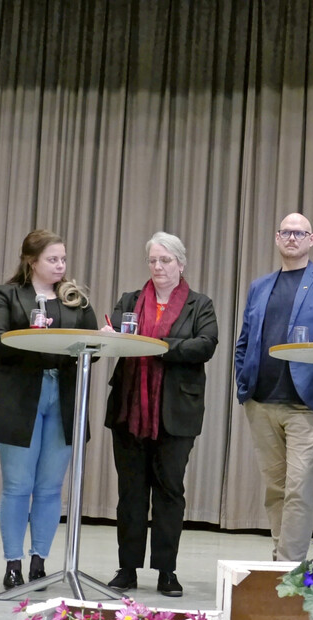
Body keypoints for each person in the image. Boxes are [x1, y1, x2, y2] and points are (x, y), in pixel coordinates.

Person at [234, 212, 313, 561]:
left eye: (299, 233)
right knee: (275, 489)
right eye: (286, 232)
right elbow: (245, 339)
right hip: (261, 401)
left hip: (308, 403)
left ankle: (289, 567)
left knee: (298, 488)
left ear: (312, 239)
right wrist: (242, 382)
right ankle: (281, 557)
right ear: (277, 238)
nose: (292, 238)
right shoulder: (260, 286)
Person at [0, 229, 97, 590]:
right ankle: (13, 563)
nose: (60, 265)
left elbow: (92, 346)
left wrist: (102, 338)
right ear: (31, 261)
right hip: (18, 396)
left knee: (50, 487)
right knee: (17, 485)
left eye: (63, 259)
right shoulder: (8, 294)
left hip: (64, 395)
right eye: (52, 259)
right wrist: (31, 334)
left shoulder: (75, 299)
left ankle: (39, 562)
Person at [103, 232, 218, 598]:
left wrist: (157, 346)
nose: (158, 267)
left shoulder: (200, 305)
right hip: (129, 411)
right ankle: (127, 569)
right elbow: (117, 338)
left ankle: (167, 570)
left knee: (170, 493)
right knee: (131, 493)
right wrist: (111, 336)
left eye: (165, 260)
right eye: (153, 260)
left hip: (176, 414)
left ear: (180, 264)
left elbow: (205, 346)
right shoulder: (129, 301)